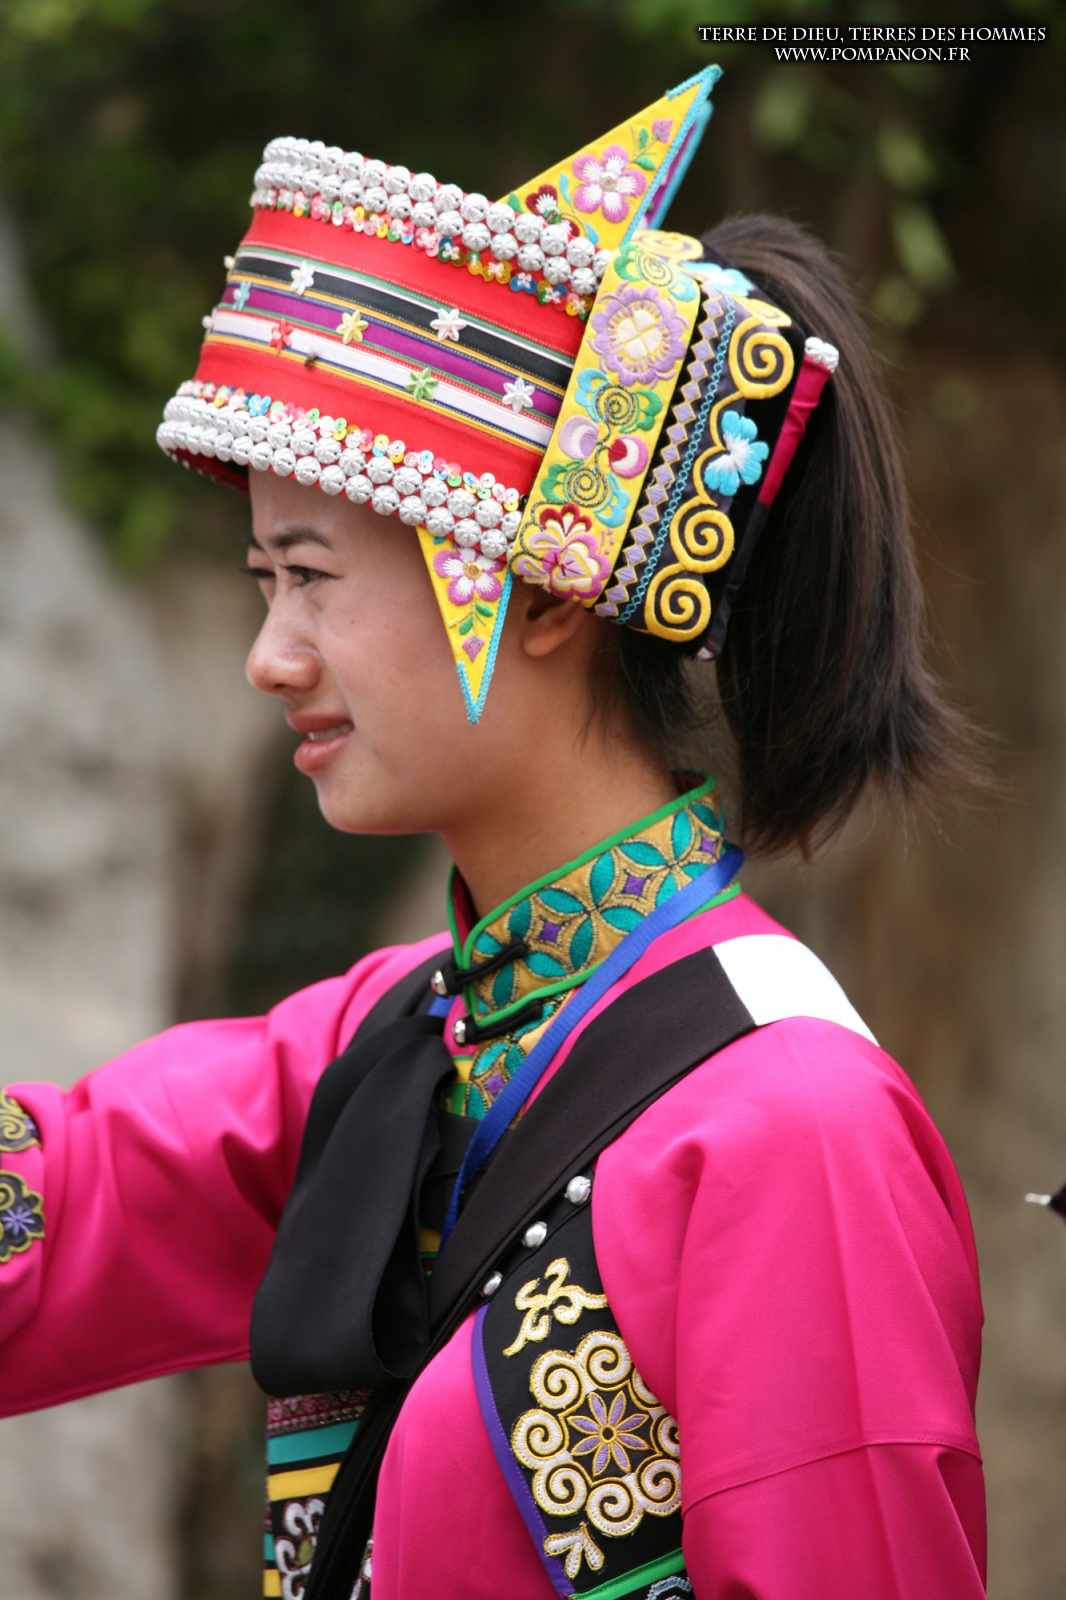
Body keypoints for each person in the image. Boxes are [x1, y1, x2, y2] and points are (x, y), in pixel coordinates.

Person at [0, 65, 987, 1599]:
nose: (269, 656)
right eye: (262, 583)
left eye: (312, 577)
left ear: (539, 594)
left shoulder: (791, 1128)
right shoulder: (397, 1045)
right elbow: (59, 1211)